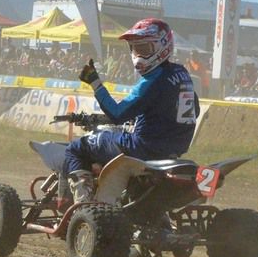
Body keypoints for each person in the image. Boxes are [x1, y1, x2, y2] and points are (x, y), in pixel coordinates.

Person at [64, 18, 199, 203]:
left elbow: (118, 114)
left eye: (144, 49)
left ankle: (83, 202)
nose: (139, 55)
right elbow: (195, 109)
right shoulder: (181, 73)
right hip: (174, 148)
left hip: (141, 147)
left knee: (75, 148)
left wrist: (95, 83)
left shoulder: (152, 80)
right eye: (135, 48)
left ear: (163, 46)